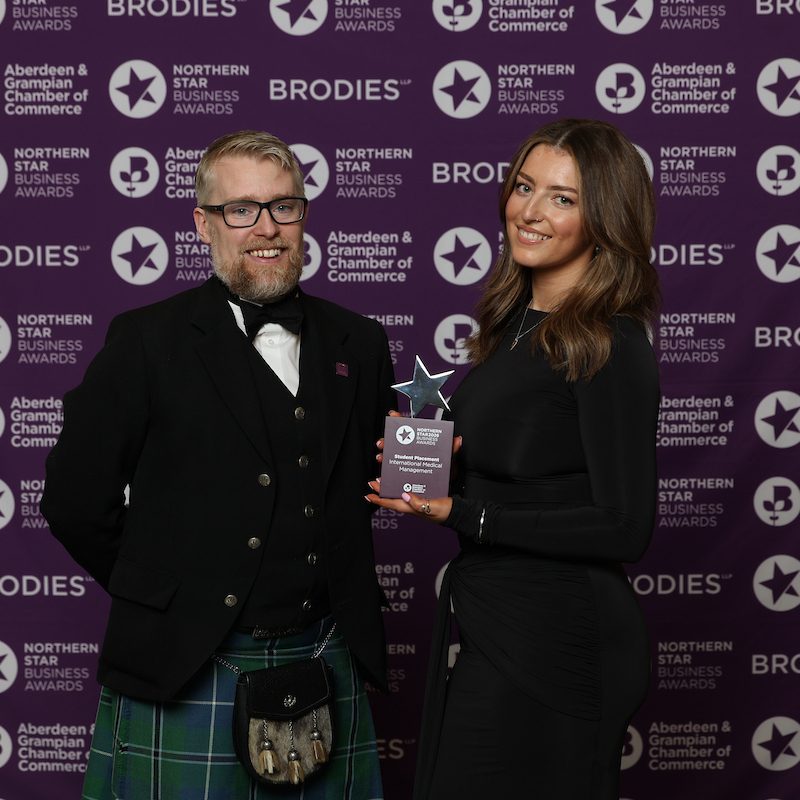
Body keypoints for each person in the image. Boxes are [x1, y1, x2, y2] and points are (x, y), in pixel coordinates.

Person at [41, 130, 395, 799]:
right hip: (188, 662)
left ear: (303, 216)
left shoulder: (360, 341)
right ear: (203, 224)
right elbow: (73, 502)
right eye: (241, 210)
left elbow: (373, 483)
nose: (267, 228)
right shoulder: (145, 341)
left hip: (325, 652)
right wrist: (164, 594)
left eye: (283, 206)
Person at [367, 118, 660, 799]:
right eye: (524, 187)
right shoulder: (517, 327)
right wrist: (430, 469)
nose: (529, 211)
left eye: (563, 198)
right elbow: (532, 474)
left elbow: (626, 527)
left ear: (605, 218)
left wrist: (462, 512)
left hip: (561, 639)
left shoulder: (609, 342)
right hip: (498, 622)